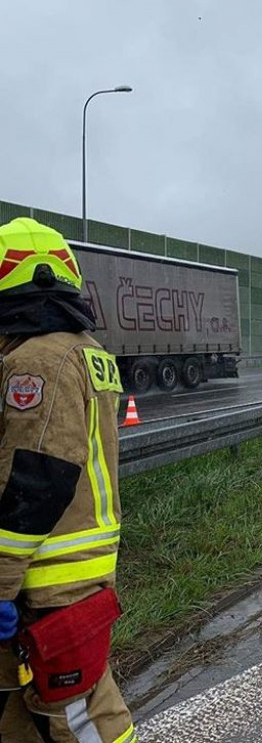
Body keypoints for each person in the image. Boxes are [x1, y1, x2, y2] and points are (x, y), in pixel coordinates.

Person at [0, 218, 136, 742]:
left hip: (46, 577)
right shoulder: (88, 351)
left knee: (80, 718)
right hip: (78, 566)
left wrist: (1, 582)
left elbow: (38, 482)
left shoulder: (37, 359)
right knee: (22, 714)